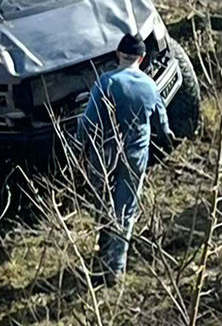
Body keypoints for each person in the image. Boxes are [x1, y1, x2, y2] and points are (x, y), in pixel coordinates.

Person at [76, 34, 173, 286]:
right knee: (126, 210)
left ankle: (103, 251)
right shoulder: (149, 86)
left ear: (119, 55)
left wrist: (79, 147)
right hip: (135, 156)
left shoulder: (106, 83)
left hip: (104, 155)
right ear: (141, 59)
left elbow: (87, 123)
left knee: (104, 205)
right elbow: (162, 126)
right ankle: (115, 269)